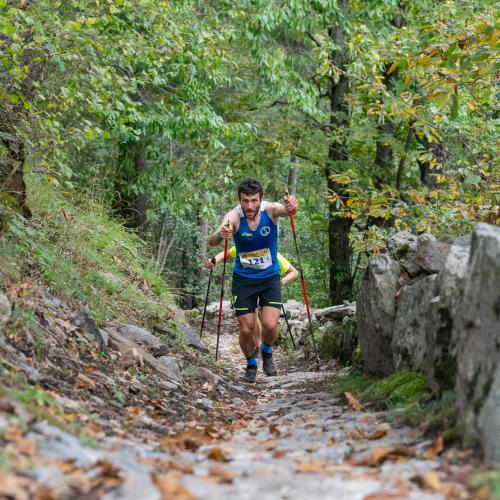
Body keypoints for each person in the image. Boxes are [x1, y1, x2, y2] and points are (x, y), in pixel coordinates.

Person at [207, 178, 298, 383]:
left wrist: (292, 206)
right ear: (239, 199)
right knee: (247, 328)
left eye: (254, 200)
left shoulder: (270, 210)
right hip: (244, 280)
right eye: (245, 201)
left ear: (261, 198)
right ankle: (251, 363)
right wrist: (221, 234)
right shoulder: (234, 216)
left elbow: (288, 211)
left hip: (270, 277)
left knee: (270, 325)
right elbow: (212, 241)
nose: (249, 206)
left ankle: (267, 351)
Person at [204, 246, 298, 357]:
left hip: (267, 287)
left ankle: (261, 345)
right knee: (253, 314)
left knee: (266, 321)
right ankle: (258, 345)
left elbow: (294, 272)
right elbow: (226, 253)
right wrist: (214, 260)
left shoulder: (272, 253)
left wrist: (281, 282)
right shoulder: (243, 247)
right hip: (246, 287)